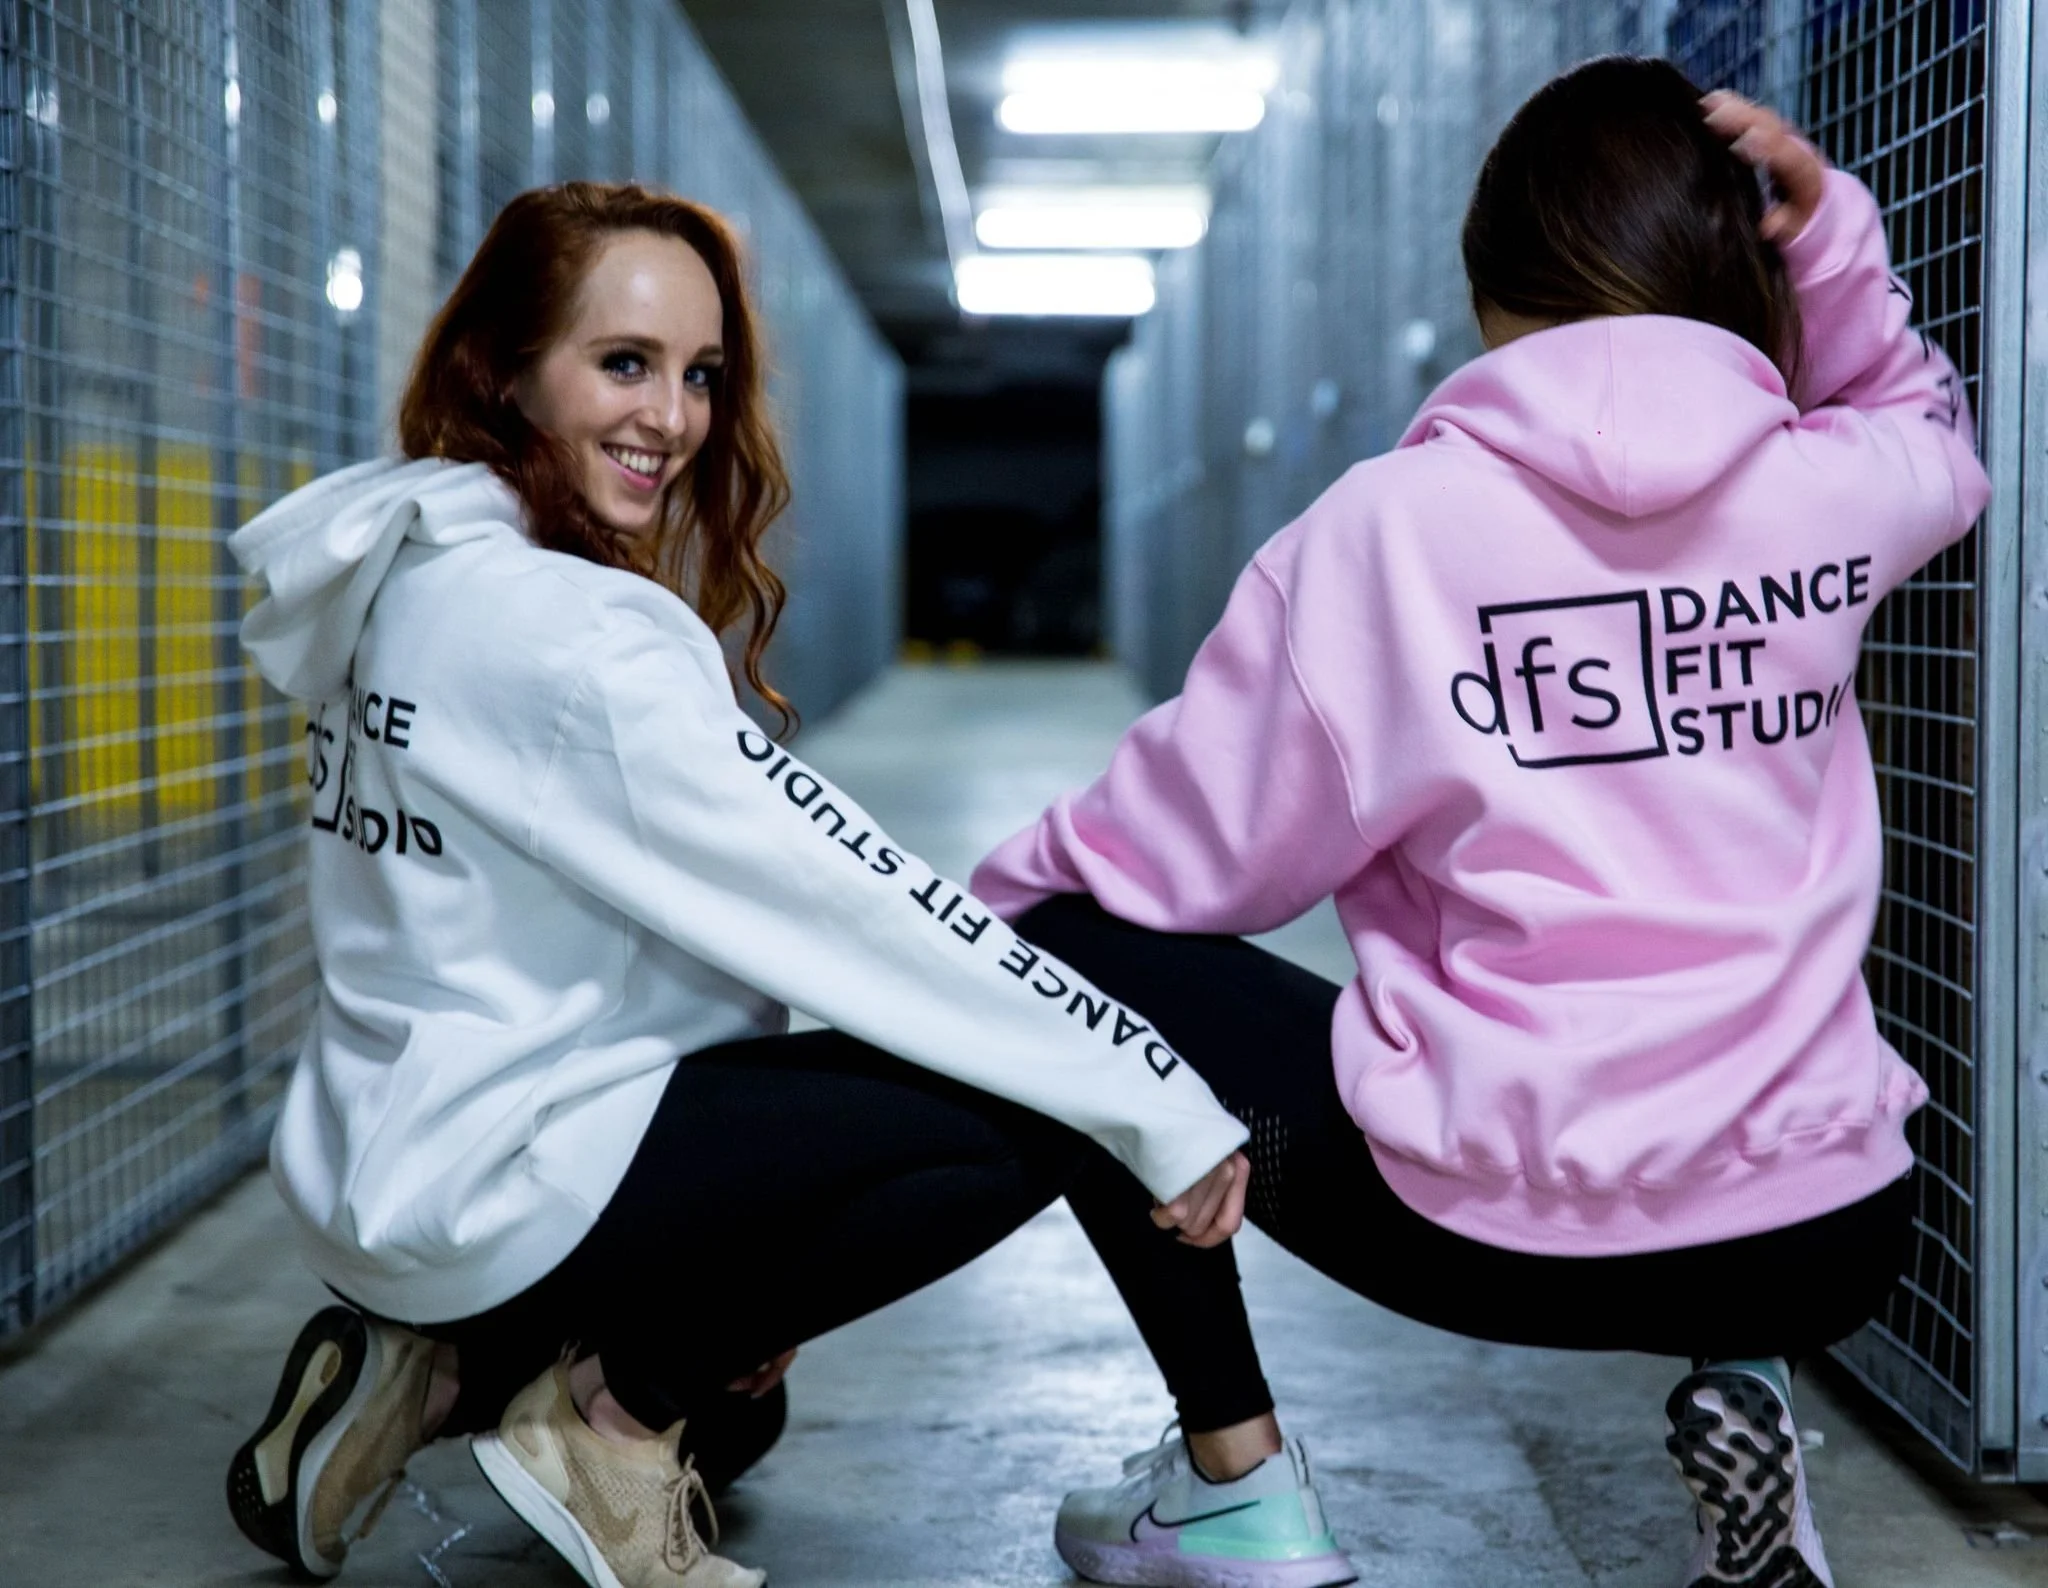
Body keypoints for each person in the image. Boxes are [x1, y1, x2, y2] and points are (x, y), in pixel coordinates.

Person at [970, 62, 1989, 1588]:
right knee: (1729, 998)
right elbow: (1930, 429)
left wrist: (977, 931)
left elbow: (1186, 856)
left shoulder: (1386, 531)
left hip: (1497, 1233)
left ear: (1488, 288)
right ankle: (1746, 1393)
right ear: (1732, 267)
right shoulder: (1829, 492)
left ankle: (1234, 1482)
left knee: (1062, 955)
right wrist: (1829, 234)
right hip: (1827, 1228)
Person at [218, 182, 1290, 1588]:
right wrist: (1141, 1087)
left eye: (700, 374)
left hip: (385, 1157)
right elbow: (851, 898)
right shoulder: (577, 640)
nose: (670, 418)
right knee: (1032, 1106)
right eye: (623, 363)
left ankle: (434, 1369)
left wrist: (745, 1230)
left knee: (740, 1419)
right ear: (505, 370)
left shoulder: (405, 572)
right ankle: (593, 1433)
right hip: (501, 1172)